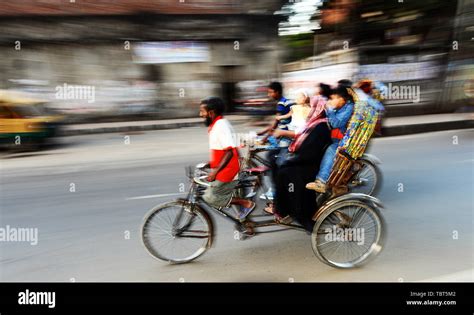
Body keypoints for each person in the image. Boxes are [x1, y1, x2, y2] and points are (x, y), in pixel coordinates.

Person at [199, 97, 256, 220]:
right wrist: (211, 164)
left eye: (202, 111)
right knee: (214, 192)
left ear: (211, 112)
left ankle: (245, 203)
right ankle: (244, 222)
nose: (200, 114)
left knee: (210, 197)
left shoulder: (221, 126)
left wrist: (214, 172)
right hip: (224, 168)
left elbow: (229, 152)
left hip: (229, 169)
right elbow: (221, 150)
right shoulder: (216, 125)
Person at [306, 85, 354, 193]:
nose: (331, 101)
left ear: (342, 99)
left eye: (333, 98)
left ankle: (321, 182)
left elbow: (335, 123)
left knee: (331, 150)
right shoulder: (341, 107)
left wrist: (330, 109)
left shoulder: (349, 107)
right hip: (335, 137)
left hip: (343, 141)